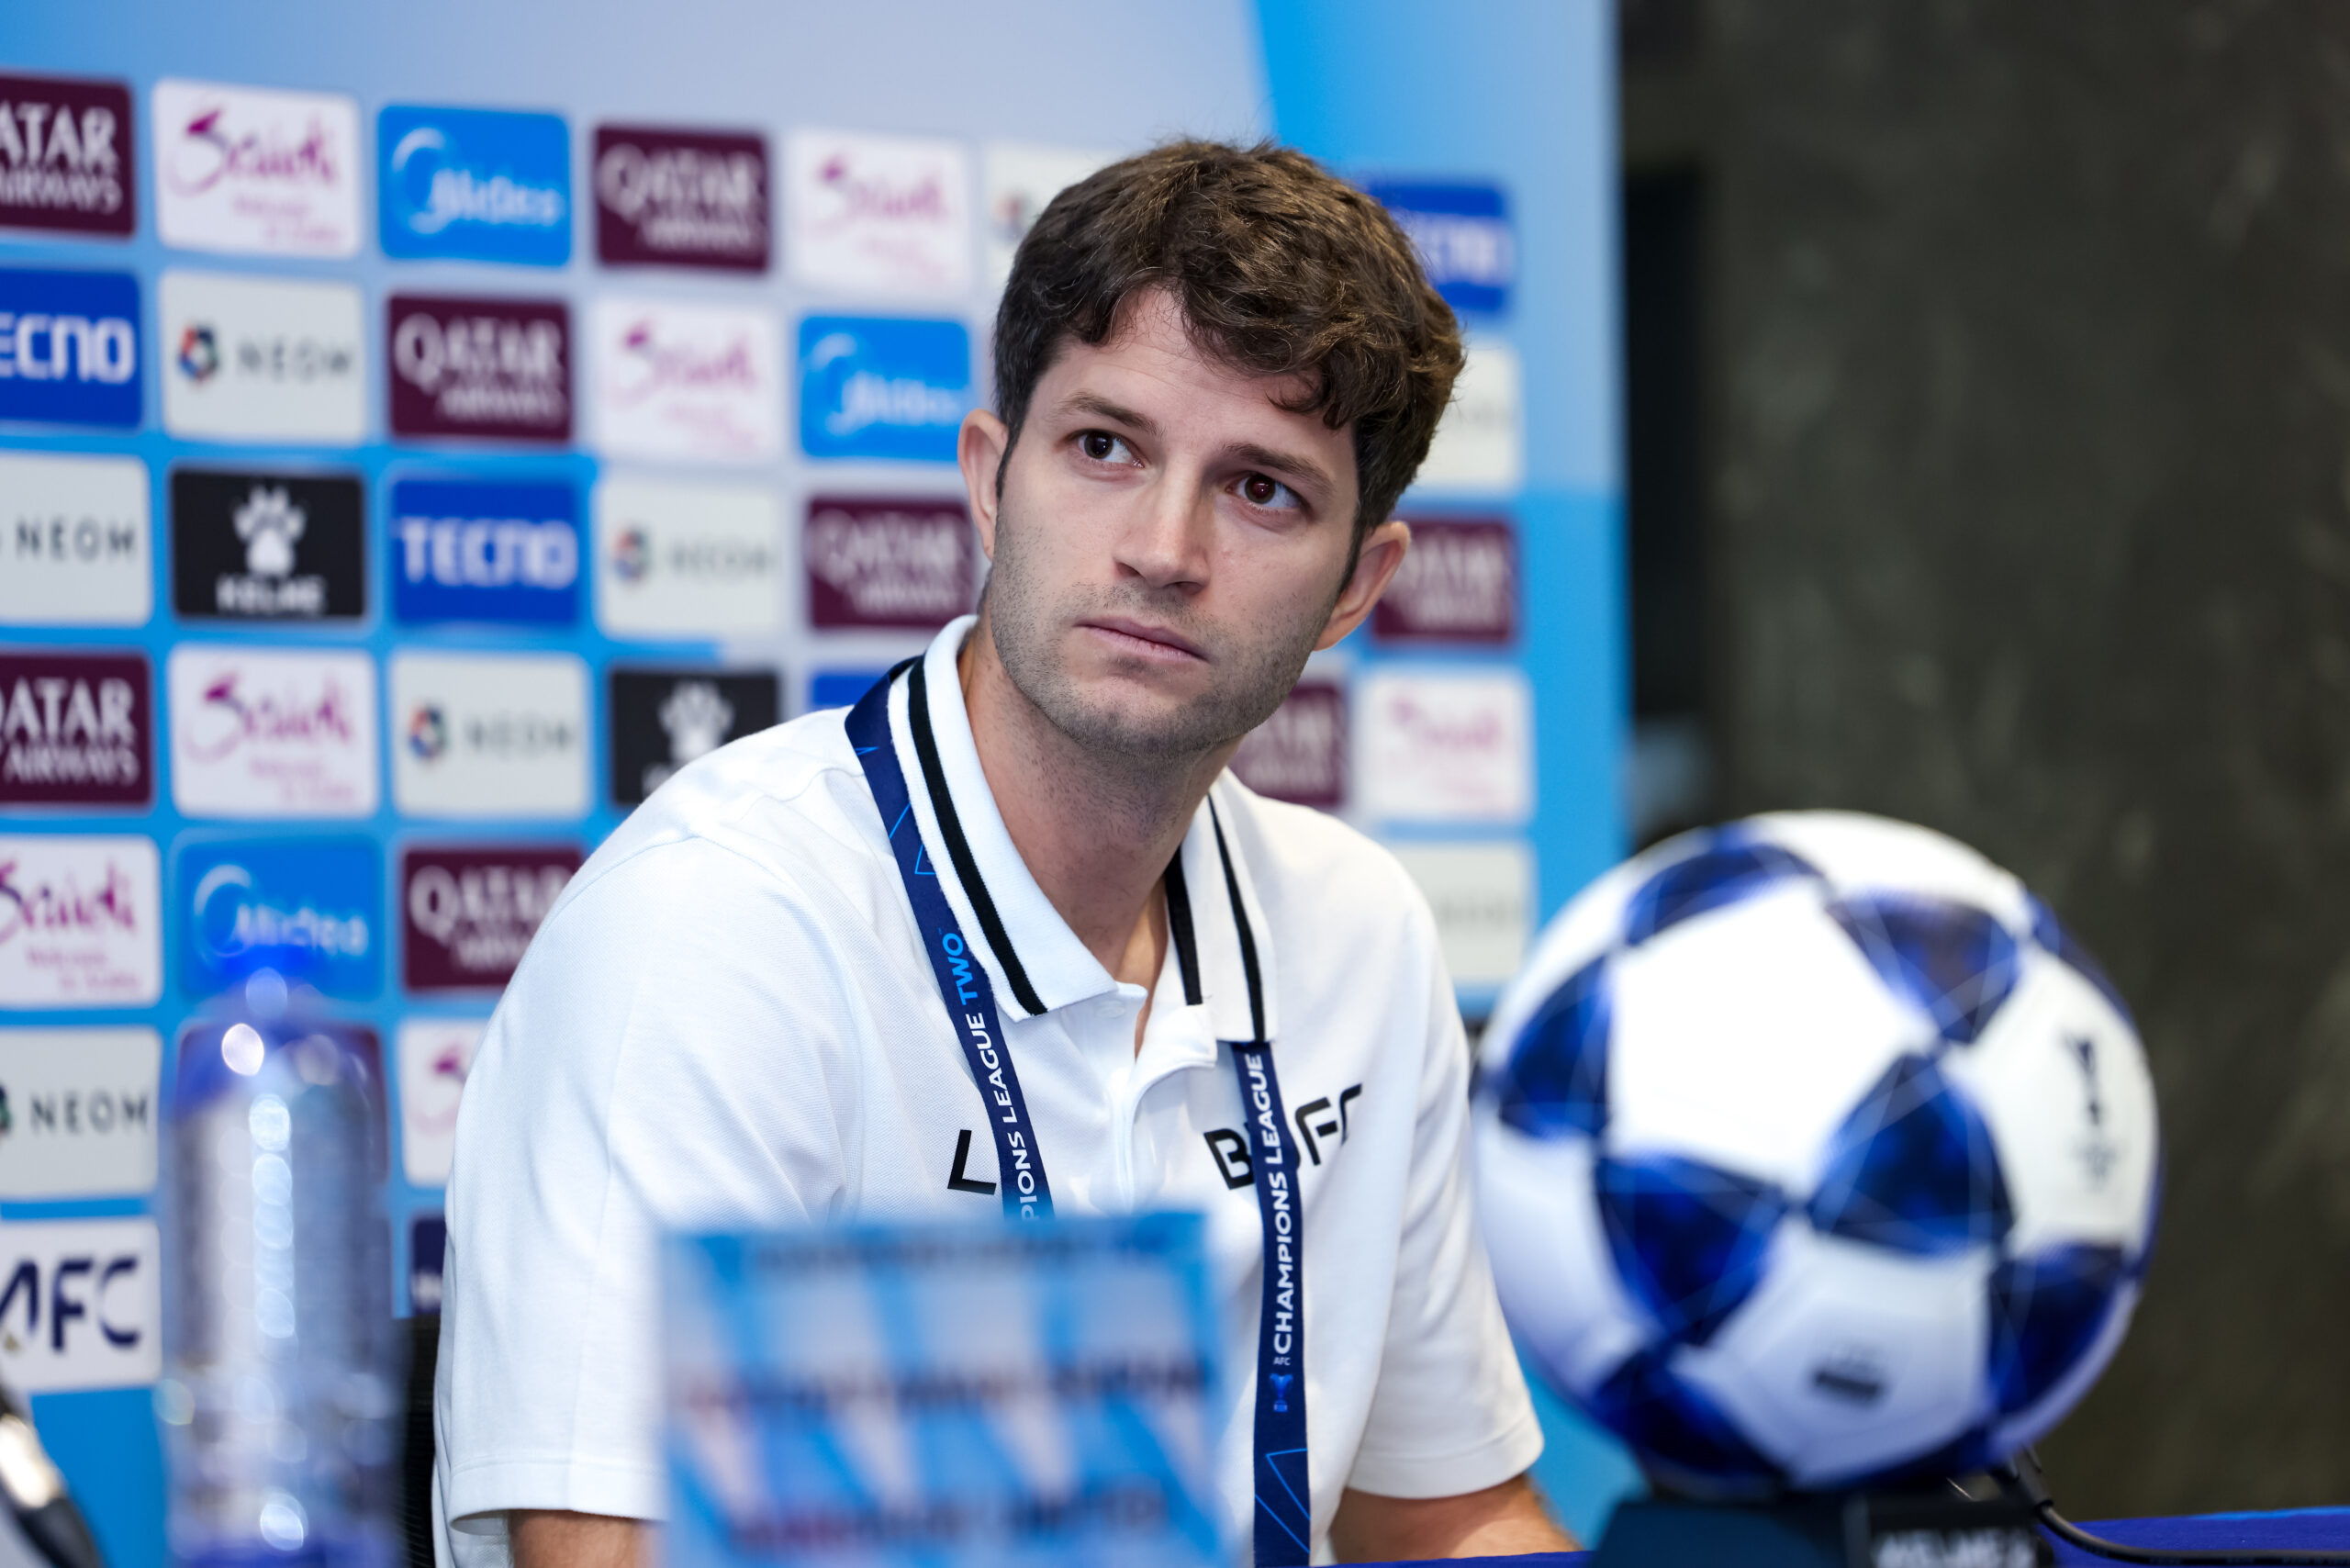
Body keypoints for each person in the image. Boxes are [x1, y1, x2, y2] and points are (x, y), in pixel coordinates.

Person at [433, 139, 1572, 1566]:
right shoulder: (715, 929)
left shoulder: (1360, 932)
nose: (1164, 548)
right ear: (990, 480)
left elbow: (1447, 1518)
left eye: (1261, 489)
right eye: (1106, 448)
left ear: (1358, 586)